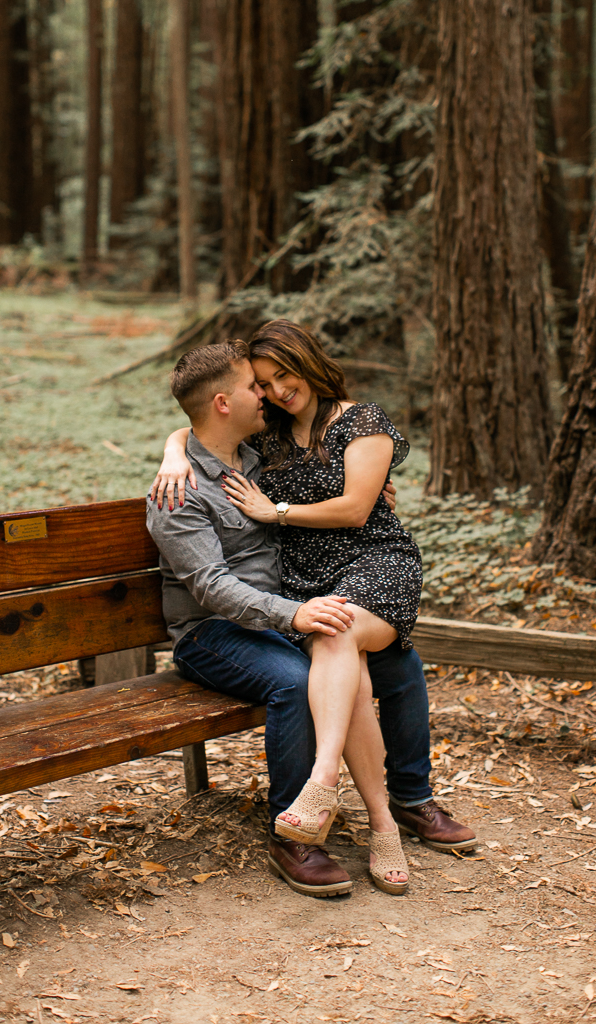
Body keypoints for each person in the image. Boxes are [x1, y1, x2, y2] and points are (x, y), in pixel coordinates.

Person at [148, 336, 475, 897]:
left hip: (282, 613)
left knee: (398, 664)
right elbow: (211, 588)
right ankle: (294, 835)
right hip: (213, 631)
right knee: (297, 681)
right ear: (226, 403)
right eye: (256, 386)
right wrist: (297, 615)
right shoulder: (177, 492)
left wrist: (371, 491)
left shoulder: (258, 455)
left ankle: (409, 800)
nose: (267, 395)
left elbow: (327, 484)